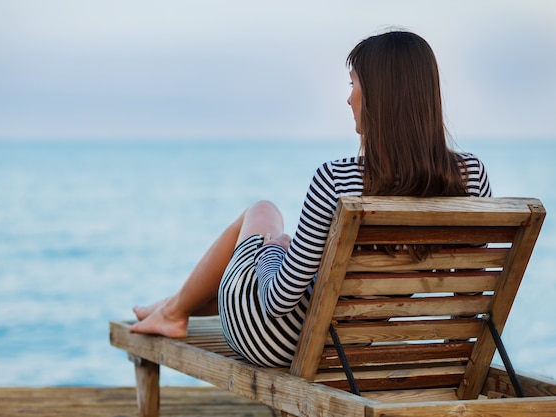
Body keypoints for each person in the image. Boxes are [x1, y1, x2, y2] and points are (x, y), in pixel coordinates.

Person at [129, 30, 492, 367]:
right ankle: (172, 307)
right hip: (352, 345)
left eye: (353, 85)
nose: (348, 98)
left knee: (263, 211)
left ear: (379, 97)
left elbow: (277, 301)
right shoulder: (472, 177)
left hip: (270, 337)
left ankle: (173, 311)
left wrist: (274, 249)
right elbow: (470, 291)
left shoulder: (336, 178)